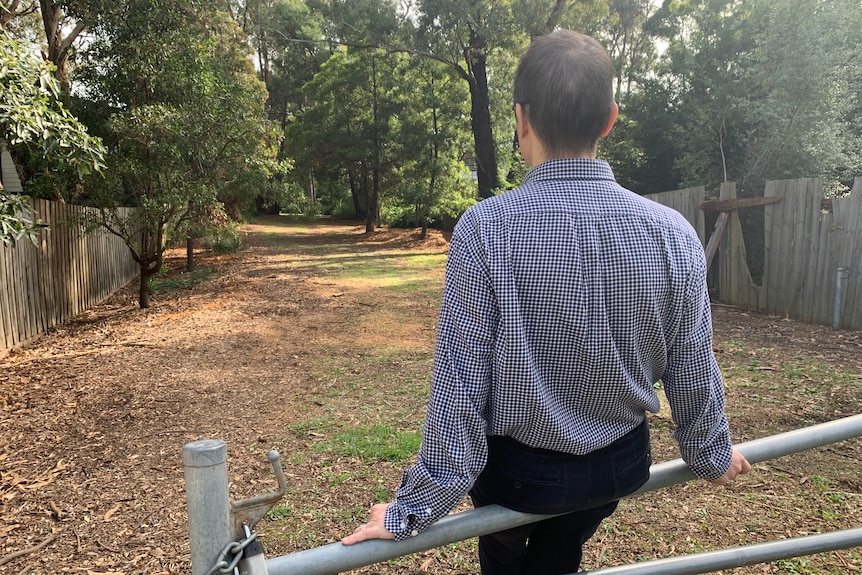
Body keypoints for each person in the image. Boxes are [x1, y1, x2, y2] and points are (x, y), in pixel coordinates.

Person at [341, 29, 751, 574]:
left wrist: (413, 508)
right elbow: (692, 364)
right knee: (565, 542)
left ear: (521, 118)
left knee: (504, 545)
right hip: (615, 467)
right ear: (610, 119)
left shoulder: (485, 229)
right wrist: (710, 452)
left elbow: (459, 384)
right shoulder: (672, 233)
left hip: (516, 474)